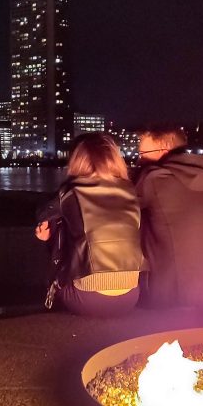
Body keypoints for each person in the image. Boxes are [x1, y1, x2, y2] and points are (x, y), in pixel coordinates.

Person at [35, 133, 146, 317]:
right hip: (130, 296)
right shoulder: (130, 191)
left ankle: (52, 291)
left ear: (77, 159)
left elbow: (42, 213)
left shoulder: (71, 191)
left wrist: (49, 236)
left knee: (58, 222)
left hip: (88, 299)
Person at [134, 127, 203, 310]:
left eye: (143, 153)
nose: (138, 159)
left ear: (164, 148)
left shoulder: (153, 178)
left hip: (172, 297)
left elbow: (119, 207)